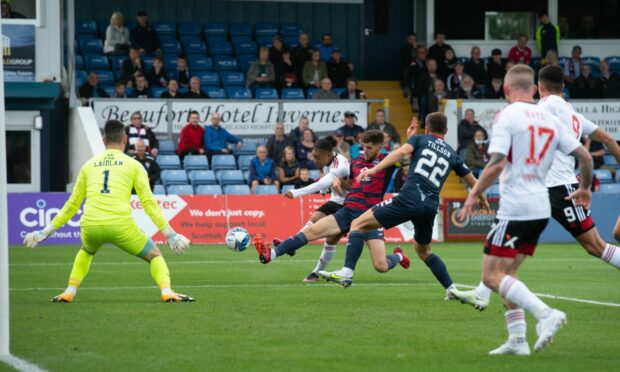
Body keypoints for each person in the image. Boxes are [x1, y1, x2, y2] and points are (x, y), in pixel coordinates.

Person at [454, 64, 593, 355]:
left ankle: (546, 314)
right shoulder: (549, 116)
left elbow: (497, 163)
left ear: (506, 90)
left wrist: (473, 194)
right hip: (541, 207)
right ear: (532, 89)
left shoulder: (508, 115)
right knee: (508, 276)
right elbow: (584, 156)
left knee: (492, 277)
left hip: (515, 208)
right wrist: (585, 188)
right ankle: (517, 340)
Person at [23, 120, 193, 303]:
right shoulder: (134, 165)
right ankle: (167, 291)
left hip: (91, 225)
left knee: (87, 250)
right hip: (121, 225)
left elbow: (72, 204)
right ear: (125, 139)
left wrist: (45, 231)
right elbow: (149, 203)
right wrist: (171, 235)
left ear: (104, 140)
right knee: (155, 255)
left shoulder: (88, 166)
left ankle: (70, 290)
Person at [319, 114, 481, 289]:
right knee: (424, 251)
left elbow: (403, 152)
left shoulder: (420, 139)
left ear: (426, 128)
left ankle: (347, 272)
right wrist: (483, 197)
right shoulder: (452, 153)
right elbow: (471, 179)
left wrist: (374, 170)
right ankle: (451, 289)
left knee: (357, 223)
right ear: (446, 131)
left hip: (409, 198)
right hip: (430, 206)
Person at [255, 131, 396, 279]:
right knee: (311, 231)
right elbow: (351, 185)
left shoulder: (388, 160)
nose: (365, 151)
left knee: (381, 266)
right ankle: (271, 253)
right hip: (348, 210)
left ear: (380, 147)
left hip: (370, 216)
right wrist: (339, 183)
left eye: (369, 148)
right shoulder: (356, 161)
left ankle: (398, 257)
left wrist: (411, 138)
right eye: (363, 147)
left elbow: (404, 154)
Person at [271, 136, 349, 281]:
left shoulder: (340, 165)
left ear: (328, 154)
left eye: (317, 157)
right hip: (336, 200)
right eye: (314, 157)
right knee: (314, 217)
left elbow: (322, 182)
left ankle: (316, 273)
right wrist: (325, 189)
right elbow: (327, 179)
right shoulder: (329, 160)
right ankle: (292, 245)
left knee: (330, 240)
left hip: (349, 204)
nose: (315, 161)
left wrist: (297, 192)